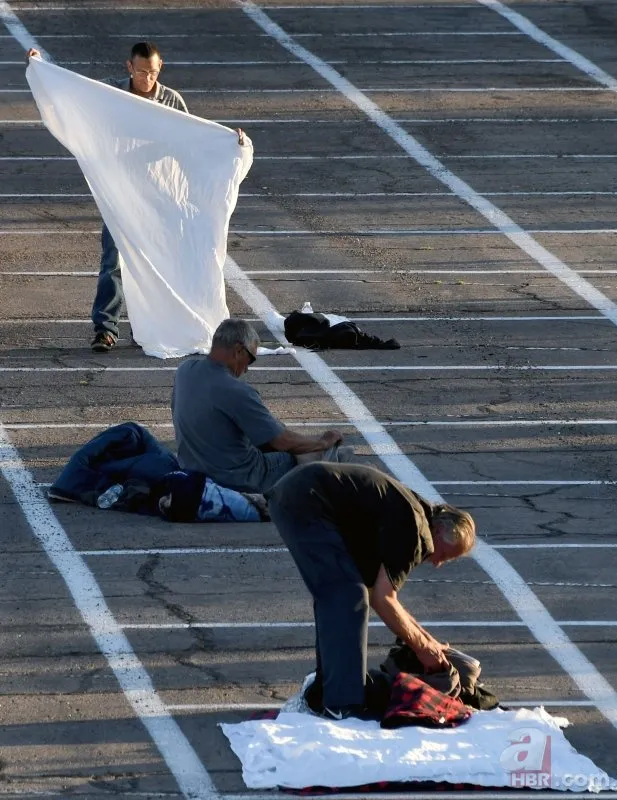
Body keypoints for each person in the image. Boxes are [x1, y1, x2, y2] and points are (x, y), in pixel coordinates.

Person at [26, 42, 247, 353]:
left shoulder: (171, 100)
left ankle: (155, 325)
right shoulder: (113, 96)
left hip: (160, 197)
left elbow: (194, 141)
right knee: (113, 260)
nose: (147, 78)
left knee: (164, 260)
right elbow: (75, 95)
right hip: (122, 193)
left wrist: (229, 144)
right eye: (142, 71)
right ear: (129, 67)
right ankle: (105, 329)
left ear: (161, 68)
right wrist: (42, 67)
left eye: (153, 72)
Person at [267, 462, 476, 720]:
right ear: (440, 531)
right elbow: (384, 600)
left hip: (299, 492)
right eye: (445, 554)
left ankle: (328, 691)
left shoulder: (413, 514)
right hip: (306, 499)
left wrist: (428, 643)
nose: (437, 562)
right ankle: (342, 704)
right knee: (346, 597)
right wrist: (423, 648)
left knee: (345, 593)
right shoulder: (415, 531)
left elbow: (382, 593)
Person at [172, 318, 350, 495]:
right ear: (238, 351)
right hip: (238, 478)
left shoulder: (185, 370)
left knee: (275, 439)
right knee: (313, 455)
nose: (247, 370)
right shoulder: (237, 391)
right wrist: (321, 442)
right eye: (250, 360)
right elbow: (282, 442)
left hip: (193, 469)